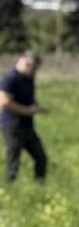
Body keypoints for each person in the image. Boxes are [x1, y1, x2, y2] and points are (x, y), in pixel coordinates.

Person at [1, 51, 48, 184]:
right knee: (14, 161)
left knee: (41, 158)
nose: (36, 72)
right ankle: (9, 189)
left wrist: (37, 106)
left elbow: (28, 98)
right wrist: (28, 111)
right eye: (35, 68)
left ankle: (40, 187)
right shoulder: (10, 78)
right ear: (27, 64)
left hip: (27, 126)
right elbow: (5, 103)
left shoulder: (28, 78)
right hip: (12, 126)